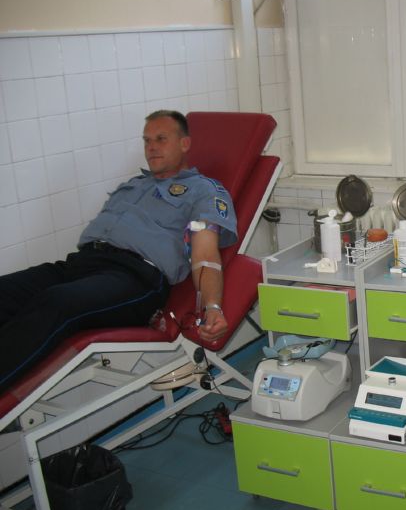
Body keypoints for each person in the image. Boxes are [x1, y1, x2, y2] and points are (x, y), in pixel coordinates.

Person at [0, 110, 238, 390]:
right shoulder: (136, 184)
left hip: (134, 277)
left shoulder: (204, 191)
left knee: (56, 303)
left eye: (161, 139)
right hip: (81, 264)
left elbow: (205, 255)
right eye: (147, 140)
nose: (151, 147)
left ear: (184, 143)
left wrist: (213, 307)